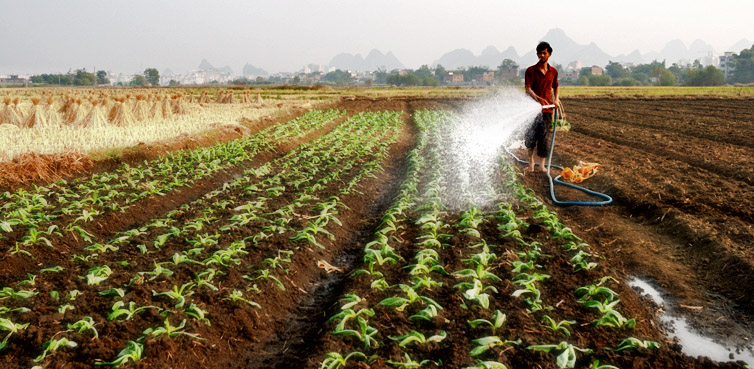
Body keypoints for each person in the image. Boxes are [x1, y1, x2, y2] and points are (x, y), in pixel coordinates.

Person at [524, 41, 562, 173]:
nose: (541, 55)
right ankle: (531, 163)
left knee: (544, 137)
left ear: (549, 54)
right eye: (539, 53)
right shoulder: (530, 71)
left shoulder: (553, 72)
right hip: (532, 110)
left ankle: (542, 165)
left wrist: (556, 99)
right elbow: (528, 89)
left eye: (544, 53)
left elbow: (556, 87)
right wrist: (539, 99)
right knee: (530, 136)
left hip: (547, 110)